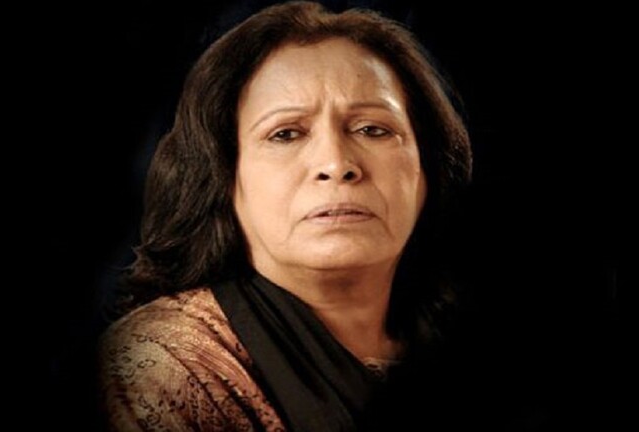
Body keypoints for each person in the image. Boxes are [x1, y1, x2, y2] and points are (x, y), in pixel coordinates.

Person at [99, 1, 472, 430]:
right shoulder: (161, 369)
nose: (336, 164)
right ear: (223, 176)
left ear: (427, 169)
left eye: (373, 129)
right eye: (286, 134)